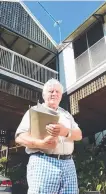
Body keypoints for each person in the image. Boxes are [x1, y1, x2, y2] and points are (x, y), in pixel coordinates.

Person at [15, 78, 82, 194]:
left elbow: (79, 135)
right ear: (44, 94)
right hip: (43, 161)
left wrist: (65, 131)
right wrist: (41, 144)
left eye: (57, 92)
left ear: (61, 96)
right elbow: (20, 137)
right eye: (51, 91)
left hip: (68, 163)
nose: (54, 94)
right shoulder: (34, 110)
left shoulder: (66, 114)